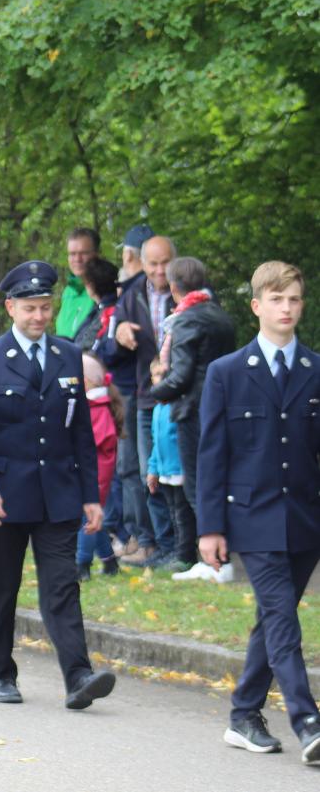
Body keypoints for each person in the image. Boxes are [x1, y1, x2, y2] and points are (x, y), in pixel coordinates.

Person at [0, 260, 116, 709]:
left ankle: (78, 675)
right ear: (10, 307)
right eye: (30, 308)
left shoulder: (68, 355)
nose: (39, 316)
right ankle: (0, 673)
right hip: (3, 497)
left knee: (63, 585)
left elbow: (81, 431)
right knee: (2, 586)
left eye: (45, 307)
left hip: (57, 493)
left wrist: (91, 495)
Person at [197, 261, 320, 765]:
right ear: (256, 306)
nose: (286, 308)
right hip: (251, 516)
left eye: (294, 299)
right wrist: (209, 528)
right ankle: (307, 721)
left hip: (305, 518)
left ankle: (244, 714)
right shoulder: (227, 372)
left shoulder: (315, 369)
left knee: (273, 618)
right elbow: (211, 454)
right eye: (276, 299)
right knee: (281, 617)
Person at [147, 257, 235, 573]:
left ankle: (214, 562)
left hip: (193, 410)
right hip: (222, 407)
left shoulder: (186, 321)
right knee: (215, 481)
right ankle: (219, 557)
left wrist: (154, 392)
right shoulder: (221, 317)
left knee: (197, 486)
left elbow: (181, 376)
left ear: (174, 288)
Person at [110, 234, 177, 566]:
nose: (160, 270)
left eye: (166, 263)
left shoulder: (191, 290)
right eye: (153, 264)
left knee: (177, 475)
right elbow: (111, 348)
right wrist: (120, 332)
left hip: (180, 396)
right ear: (143, 264)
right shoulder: (132, 294)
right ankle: (157, 543)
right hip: (145, 394)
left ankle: (181, 546)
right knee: (145, 472)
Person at [145, 360, 199, 578]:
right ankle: (178, 551)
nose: (158, 381)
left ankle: (186, 555)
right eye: (155, 375)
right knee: (174, 514)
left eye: (163, 375)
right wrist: (153, 469)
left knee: (183, 515)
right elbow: (156, 443)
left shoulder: (179, 407)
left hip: (180, 471)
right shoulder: (158, 409)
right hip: (165, 472)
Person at [76, 352, 121, 581]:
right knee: (95, 519)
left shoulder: (97, 409)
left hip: (95, 477)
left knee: (87, 520)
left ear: (86, 381)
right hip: (88, 474)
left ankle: (82, 564)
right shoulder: (91, 406)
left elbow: (91, 445)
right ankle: (109, 561)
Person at [55, 227, 99, 339]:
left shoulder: (105, 289)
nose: (77, 259)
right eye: (72, 254)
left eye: (83, 253)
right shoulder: (69, 291)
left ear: (96, 254)